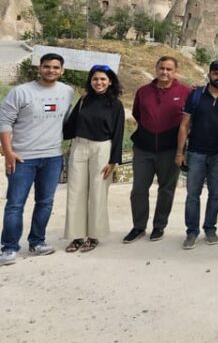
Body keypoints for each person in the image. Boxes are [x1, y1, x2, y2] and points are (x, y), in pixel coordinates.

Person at [0, 53, 74, 266]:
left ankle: (37, 242)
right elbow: (4, 122)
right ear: (39, 68)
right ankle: (9, 247)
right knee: (15, 204)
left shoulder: (67, 92)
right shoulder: (21, 92)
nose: (51, 70)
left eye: (55, 67)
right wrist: (8, 153)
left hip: (52, 157)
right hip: (23, 157)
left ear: (62, 70)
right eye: (47, 66)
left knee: (45, 202)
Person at [124, 56, 192, 243]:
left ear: (175, 71)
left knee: (166, 189)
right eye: (162, 68)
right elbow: (138, 114)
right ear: (156, 68)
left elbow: (188, 122)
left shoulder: (186, 92)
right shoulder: (143, 92)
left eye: (169, 69)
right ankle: (138, 227)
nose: (165, 72)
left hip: (170, 149)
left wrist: (181, 149)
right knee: (138, 189)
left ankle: (159, 226)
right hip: (144, 148)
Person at [62, 65, 125, 253]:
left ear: (110, 81)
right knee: (75, 192)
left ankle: (94, 236)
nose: (99, 82)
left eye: (103, 79)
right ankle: (76, 236)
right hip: (80, 146)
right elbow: (69, 126)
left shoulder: (115, 104)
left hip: (102, 149)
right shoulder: (84, 100)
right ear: (90, 81)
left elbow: (118, 134)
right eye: (95, 79)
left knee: (98, 193)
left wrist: (113, 161)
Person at [175, 60, 218, 250]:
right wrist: (180, 152)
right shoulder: (195, 95)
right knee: (193, 194)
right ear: (209, 74)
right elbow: (185, 124)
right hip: (196, 152)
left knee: (216, 194)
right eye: (215, 73)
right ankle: (191, 232)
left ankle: (210, 228)